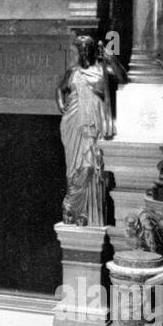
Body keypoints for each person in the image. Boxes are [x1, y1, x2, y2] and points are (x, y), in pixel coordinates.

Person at [56, 34, 128, 227]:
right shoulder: (73, 71)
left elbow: (122, 78)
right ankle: (73, 210)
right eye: (81, 49)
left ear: (92, 50)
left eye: (87, 49)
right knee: (74, 168)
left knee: (89, 166)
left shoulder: (103, 69)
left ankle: (84, 210)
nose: (84, 52)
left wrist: (112, 58)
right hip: (73, 123)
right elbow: (61, 89)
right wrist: (61, 103)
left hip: (94, 124)